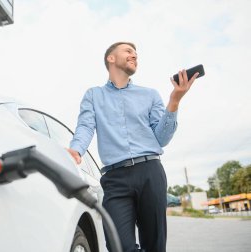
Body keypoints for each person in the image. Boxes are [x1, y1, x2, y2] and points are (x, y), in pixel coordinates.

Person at [67, 42, 198, 252]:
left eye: (136, 53)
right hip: (115, 178)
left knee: (155, 246)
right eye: (128, 51)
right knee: (119, 246)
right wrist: (76, 150)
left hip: (150, 172)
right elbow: (85, 126)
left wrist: (174, 101)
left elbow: (161, 138)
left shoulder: (150, 95)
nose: (134, 55)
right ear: (111, 58)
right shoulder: (93, 95)